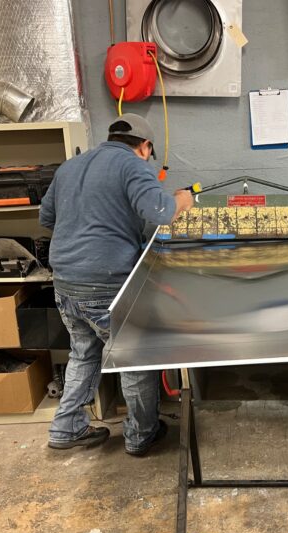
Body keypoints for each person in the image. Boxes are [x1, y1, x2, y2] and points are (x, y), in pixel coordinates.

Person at [39, 113, 194, 454]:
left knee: (83, 352)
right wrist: (183, 199)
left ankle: (65, 428)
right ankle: (141, 436)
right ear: (145, 146)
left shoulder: (70, 167)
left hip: (65, 281)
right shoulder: (134, 166)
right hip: (107, 283)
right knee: (133, 358)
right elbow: (162, 211)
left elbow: (46, 218)